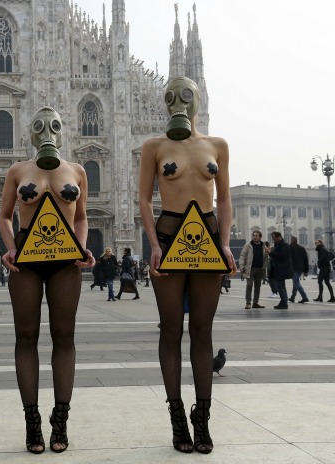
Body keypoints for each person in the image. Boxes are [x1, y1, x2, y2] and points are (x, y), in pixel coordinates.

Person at [139, 77, 236, 454]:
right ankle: (177, 418)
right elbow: (145, 200)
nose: (178, 102)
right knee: (170, 329)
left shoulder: (217, 146)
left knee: (203, 330)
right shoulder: (155, 146)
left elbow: (224, 199)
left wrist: (225, 243)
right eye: (171, 97)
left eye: (186, 96)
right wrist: (152, 245)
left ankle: (203, 420)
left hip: (207, 236)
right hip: (168, 236)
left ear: (199, 100)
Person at [0, 106, 95, 454]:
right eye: (39, 126)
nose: (47, 132)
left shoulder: (77, 170)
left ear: (62, 130)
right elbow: (4, 216)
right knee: (26, 336)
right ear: (31, 133)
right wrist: (10, 248)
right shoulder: (17, 170)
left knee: (64, 336)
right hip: (27, 257)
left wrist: (81, 247)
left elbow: (81, 217)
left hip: (65, 260)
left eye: (54, 125)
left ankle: (60, 420)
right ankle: (32, 422)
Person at [239, 230, 268, 309]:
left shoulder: (263, 245)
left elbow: (266, 257)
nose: (254, 237)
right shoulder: (248, 245)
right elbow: (242, 255)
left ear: (260, 237)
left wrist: (264, 267)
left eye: (256, 236)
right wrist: (241, 266)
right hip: (250, 269)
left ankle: (255, 303)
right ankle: (248, 303)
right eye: (253, 235)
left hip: (259, 269)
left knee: (257, 287)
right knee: (249, 285)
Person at [265, 232, 292, 309]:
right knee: (282, 286)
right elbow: (276, 255)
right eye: (272, 238)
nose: (273, 240)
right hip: (278, 268)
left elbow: (282, 256)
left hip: (282, 268)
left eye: (274, 238)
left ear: (279, 237)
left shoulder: (284, 245)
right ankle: (284, 301)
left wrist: (270, 252)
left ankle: (284, 302)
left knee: (280, 286)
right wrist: (270, 252)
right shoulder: (278, 245)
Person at [288, 236, 309, 304]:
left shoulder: (290, 247)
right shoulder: (302, 248)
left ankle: (304, 297)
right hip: (300, 268)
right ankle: (293, 297)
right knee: (295, 282)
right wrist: (306, 270)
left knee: (296, 282)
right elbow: (306, 259)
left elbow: (288, 258)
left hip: (293, 268)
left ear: (291, 240)